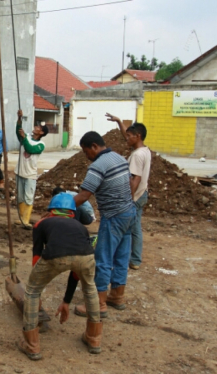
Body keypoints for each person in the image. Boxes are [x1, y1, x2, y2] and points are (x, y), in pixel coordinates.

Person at [17, 193, 102, 360]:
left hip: (54, 256)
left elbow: (36, 256)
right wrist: (66, 301)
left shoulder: (42, 223)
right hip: (86, 257)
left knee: (32, 292)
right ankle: (94, 338)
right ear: (72, 212)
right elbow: (76, 271)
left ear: (51, 210)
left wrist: (37, 287)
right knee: (90, 289)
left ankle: (32, 345)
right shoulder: (80, 227)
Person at [73, 131, 137, 318]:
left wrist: (60, 206)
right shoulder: (119, 158)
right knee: (121, 256)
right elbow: (131, 183)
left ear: (94, 146)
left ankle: (98, 304)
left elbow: (85, 195)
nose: (87, 157)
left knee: (102, 259)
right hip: (129, 212)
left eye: (86, 152)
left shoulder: (98, 166)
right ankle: (117, 296)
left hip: (114, 216)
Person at [106, 114, 151, 270]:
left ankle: (134, 259)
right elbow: (127, 134)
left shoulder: (137, 156)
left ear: (137, 136)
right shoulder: (144, 150)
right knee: (134, 226)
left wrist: (129, 201)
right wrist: (119, 121)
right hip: (143, 193)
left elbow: (135, 179)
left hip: (136, 195)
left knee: (132, 228)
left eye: (130, 136)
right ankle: (134, 258)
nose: (126, 138)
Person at [15, 110, 48, 229]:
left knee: (28, 197)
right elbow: (19, 133)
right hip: (20, 171)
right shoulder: (27, 136)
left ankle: (26, 219)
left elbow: (29, 149)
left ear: (42, 132)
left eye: (38, 127)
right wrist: (19, 119)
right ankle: (21, 218)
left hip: (30, 174)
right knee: (20, 196)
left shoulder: (41, 145)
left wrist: (23, 137)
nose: (36, 127)